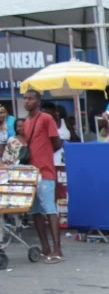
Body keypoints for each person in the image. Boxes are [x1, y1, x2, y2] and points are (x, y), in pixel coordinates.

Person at [22, 90, 64, 263]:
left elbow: (56, 142)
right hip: (31, 172)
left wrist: (45, 155)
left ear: (38, 101)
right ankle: (45, 247)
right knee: (36, 212)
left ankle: (57, 250)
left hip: (45, 171)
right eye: (25, 99)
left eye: (30, 99)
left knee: (49, 210)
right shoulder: (26, 122)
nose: (27, 102)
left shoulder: (46, 118)